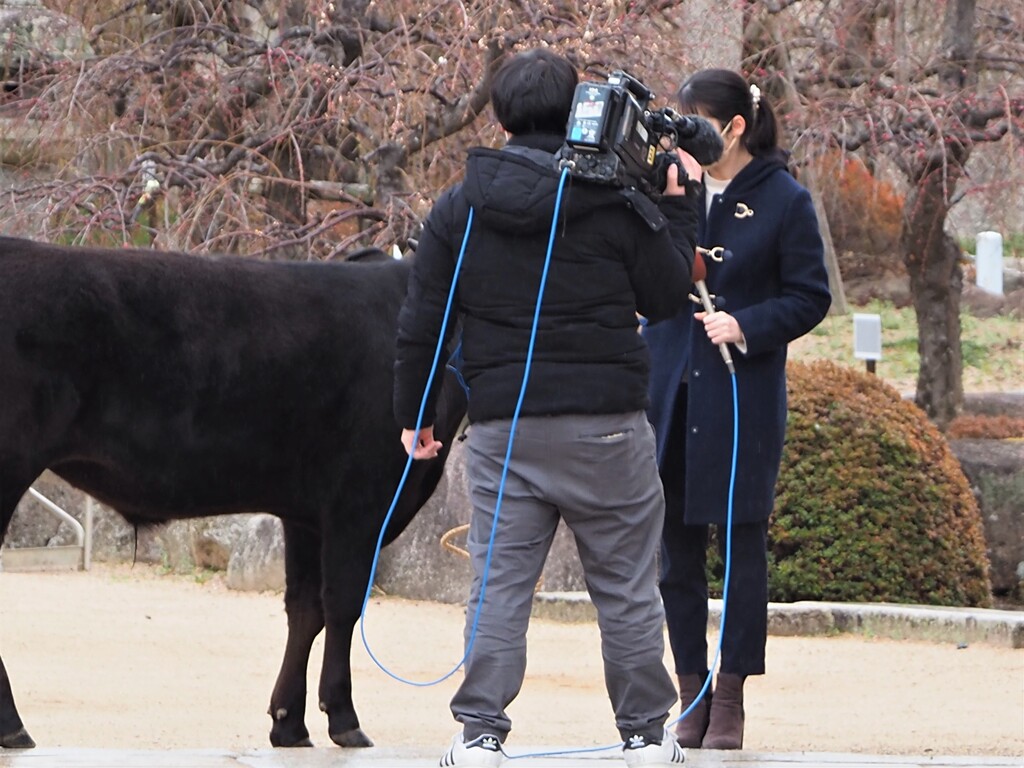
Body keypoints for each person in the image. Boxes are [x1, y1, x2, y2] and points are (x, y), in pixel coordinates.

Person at [393, 49, 702, 768]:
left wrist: (416, 413)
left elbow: (423, 319)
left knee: (498, 583)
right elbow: (664, 298)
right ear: (576, 111)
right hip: (607, 424)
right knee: (625, 586)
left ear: (497, 115)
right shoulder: (612, 196)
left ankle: (478, 734)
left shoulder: (459, 206)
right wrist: (677, 208)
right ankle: (644, 734)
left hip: (503, 426)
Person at [644, 69, 832, 750]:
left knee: (742, 545)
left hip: (740, 393)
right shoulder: (670, 188)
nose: (685, 138)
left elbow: (812, 295)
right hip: (670, 389)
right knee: (675, 553)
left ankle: (730, 695)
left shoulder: (785, 199)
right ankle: (688, 688)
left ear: (735, 127)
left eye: (698, 124)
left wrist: (745, 325)